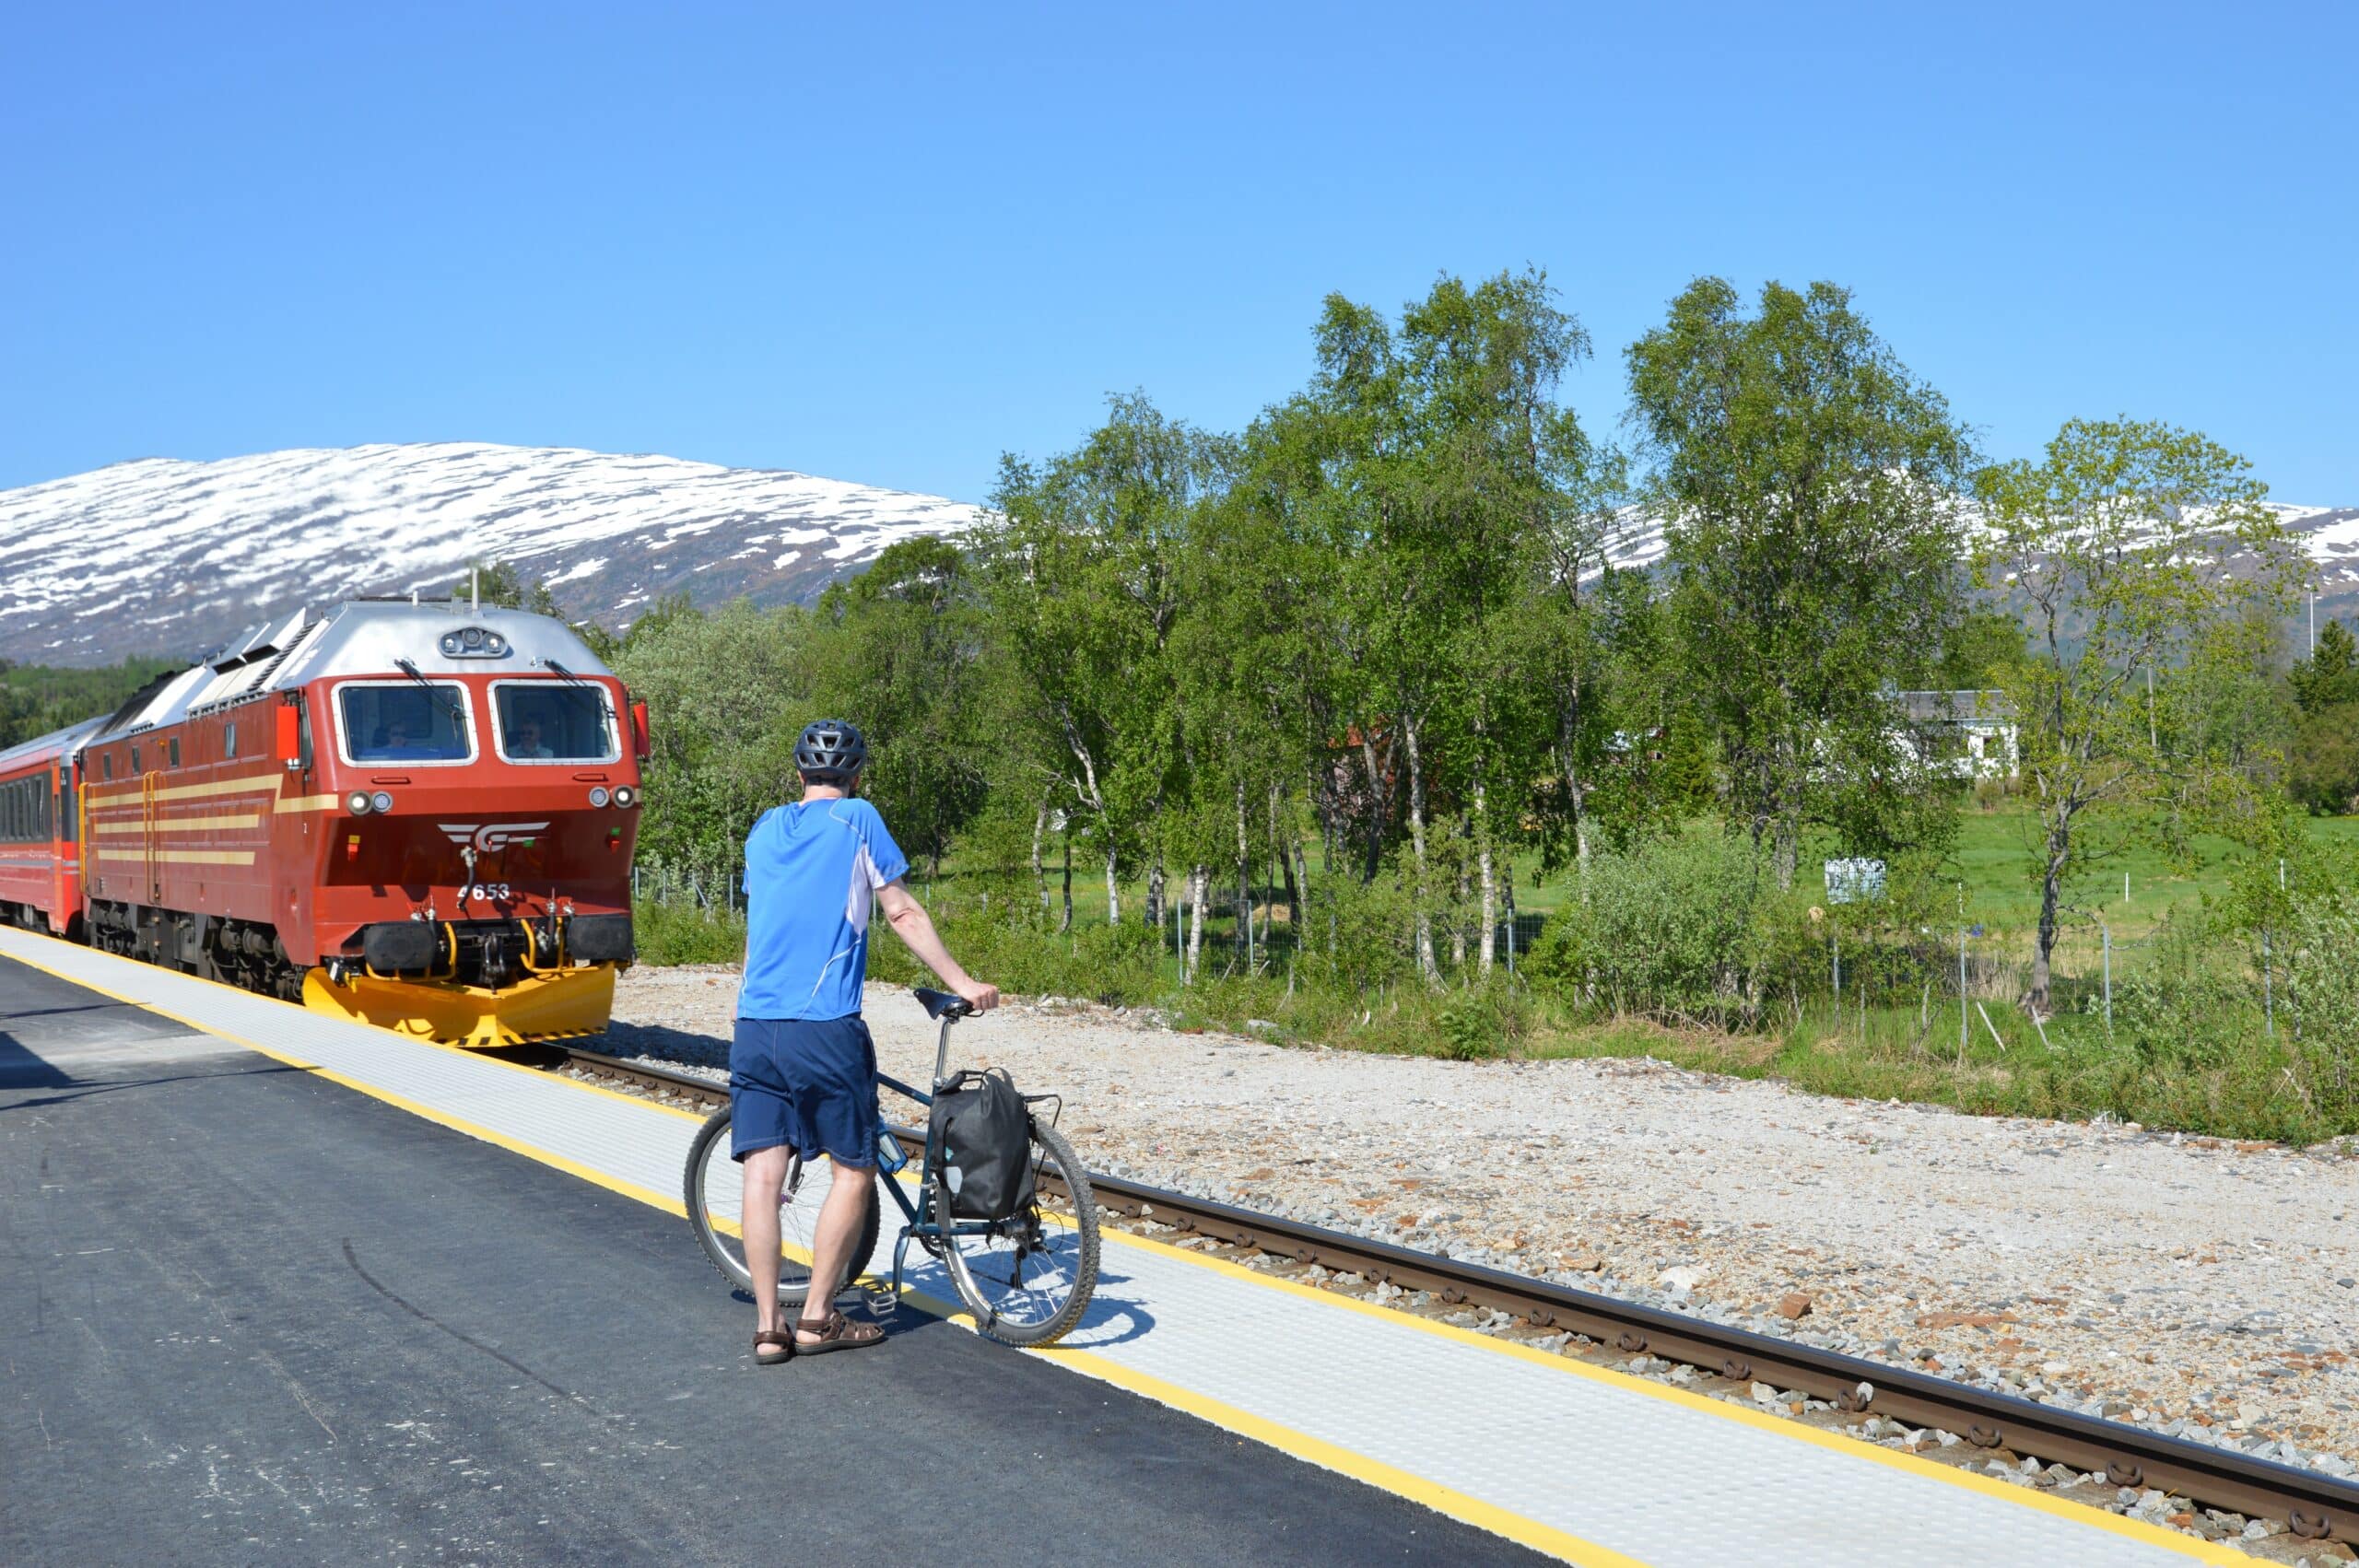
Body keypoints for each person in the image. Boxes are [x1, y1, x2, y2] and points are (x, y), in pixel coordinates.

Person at [734, 718, 998, 1363]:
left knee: (763, 1175)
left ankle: (770, 1327)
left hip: (754, 1023)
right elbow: (901, 910)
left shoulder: (765, 829)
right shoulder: (857, 818)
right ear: (854, 778)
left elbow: (760, 925)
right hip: (823, 1026)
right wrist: (964, 981)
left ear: (797, 775)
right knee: (853, 1170)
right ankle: (818, 1318)